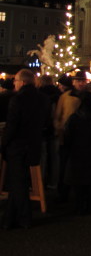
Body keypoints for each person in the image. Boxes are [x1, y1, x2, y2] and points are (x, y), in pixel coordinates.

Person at [0, 69, 49, 229]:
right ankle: (9, 218)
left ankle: (24, 218)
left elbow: (12, 125)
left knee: (18, 182)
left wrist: (4, 143)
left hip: (17, 144)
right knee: (18, 181)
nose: (14, 83)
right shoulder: (42, 98)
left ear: (22, 82)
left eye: (15, 81)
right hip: (33, 143)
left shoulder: (18, 99)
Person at [63, 90, 91, 215]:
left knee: (79, 182)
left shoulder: (75, 118)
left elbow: (68, 137)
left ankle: (79, 206)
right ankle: (90, 205)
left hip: (78, 152)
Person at [54, 75, 81, 203]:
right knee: (65, 166)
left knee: (68, 166)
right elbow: (57, 117)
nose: (81, 83)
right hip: (68, 136)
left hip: (76, 137)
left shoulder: (86, 96)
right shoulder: (65, 97)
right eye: (78, 80)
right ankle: (65, 192)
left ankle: (68, 193)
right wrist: (60, 129)